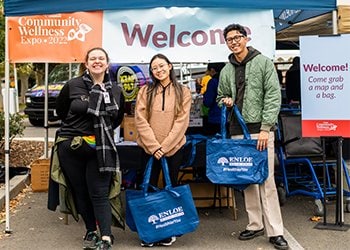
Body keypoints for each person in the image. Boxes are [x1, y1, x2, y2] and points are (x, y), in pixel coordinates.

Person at [217, 24, 289, 250]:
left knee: (266, 181)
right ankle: (255, 223)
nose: (233, 42)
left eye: (237, 37)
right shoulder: (226, 69)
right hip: (237, 130)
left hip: (261, 130)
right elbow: (220, 97)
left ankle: (275, 230)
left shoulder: (264, 62)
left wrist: (266, 129)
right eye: (229, 39)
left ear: (246, 38)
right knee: (247, 180)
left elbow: (273, 97)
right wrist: (225, 100)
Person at [52, 47, 125, 250]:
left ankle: (107, 237)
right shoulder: (73, 85)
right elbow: (61, 109)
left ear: (107, 64)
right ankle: (91, 230)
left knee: (98, 192)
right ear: (86, 63)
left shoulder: (116, 90)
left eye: (101, 58)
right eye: (93, 58)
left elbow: (117, 119)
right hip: (71, 147)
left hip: (100, 147)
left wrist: (97, 132)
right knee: (80, 190)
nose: (97, 61)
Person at [134, 53, 192, 247]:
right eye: (154, 68)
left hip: (173, 149)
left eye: (161, 66)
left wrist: (165, 147)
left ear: (169, 66)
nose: (158, 70)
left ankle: (169, 230)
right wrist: (154, 146)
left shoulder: (183, 91)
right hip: (149, 149)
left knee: (171, 187)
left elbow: (182, 122)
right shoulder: (145, 91)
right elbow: (140, 120)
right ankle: (149, 232)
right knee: (148, 186)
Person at [202, 62, 226, 135]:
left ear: (212, 70)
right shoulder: (229, 80)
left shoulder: (213, 82)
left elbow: (207, 102)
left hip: (216, 117)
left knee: (215, 141)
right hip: (230, 118)